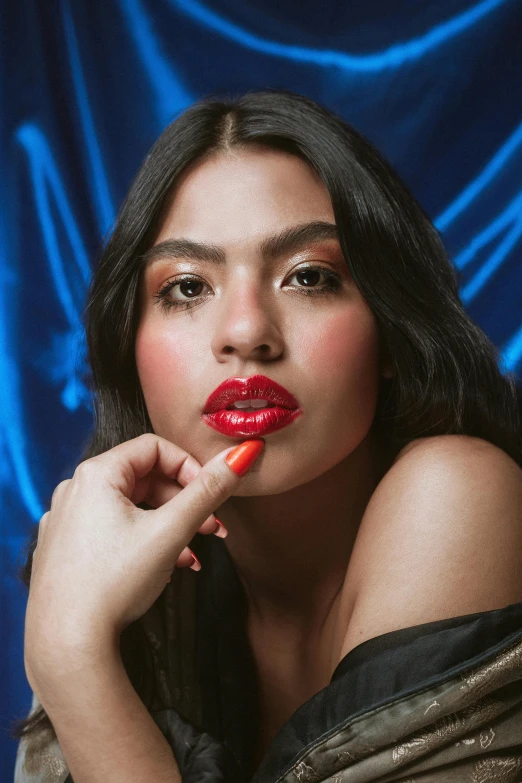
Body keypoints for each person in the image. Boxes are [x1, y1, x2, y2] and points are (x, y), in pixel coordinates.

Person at [12, 89, 522, 782]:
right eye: (188, 287)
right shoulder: (107, 553)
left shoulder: (458, 491)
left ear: (392, 332)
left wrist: (72, 656)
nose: (247, 331)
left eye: (308, 277)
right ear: (129, 342)